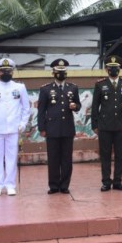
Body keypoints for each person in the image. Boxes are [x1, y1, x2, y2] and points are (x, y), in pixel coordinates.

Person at [0, 58, 30, 196]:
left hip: (13, 128)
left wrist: (22, 124)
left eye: (8, 71)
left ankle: (10, 185)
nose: (6, 73)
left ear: (12, 72)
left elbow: (26, 108)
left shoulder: (20, 88)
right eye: (3, 71)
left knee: (11, 157)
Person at [37, 59, 81, 195]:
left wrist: (75, 107)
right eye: (58, 72)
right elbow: (41, 110)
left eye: (63, 72)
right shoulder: (45, 89)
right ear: (53, 73)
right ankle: (54, 185)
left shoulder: (72, 88)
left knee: (66, 159)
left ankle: (65, 185)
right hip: (52, 128)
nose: (61, 74)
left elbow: (78, 105)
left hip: (67, 128)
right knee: (53, 158)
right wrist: (42, 128)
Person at [91, 55, 122, 192]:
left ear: (119, 69)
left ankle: (117, 181)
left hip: (121, 125)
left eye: (116, 68)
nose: (113, 70)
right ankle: (106, 182)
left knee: (120, 155)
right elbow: (94, 106)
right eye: (111, 68)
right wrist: (95, 125)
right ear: (106, 69)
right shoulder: (100, 84)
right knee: (105, 155)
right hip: (105, 125)